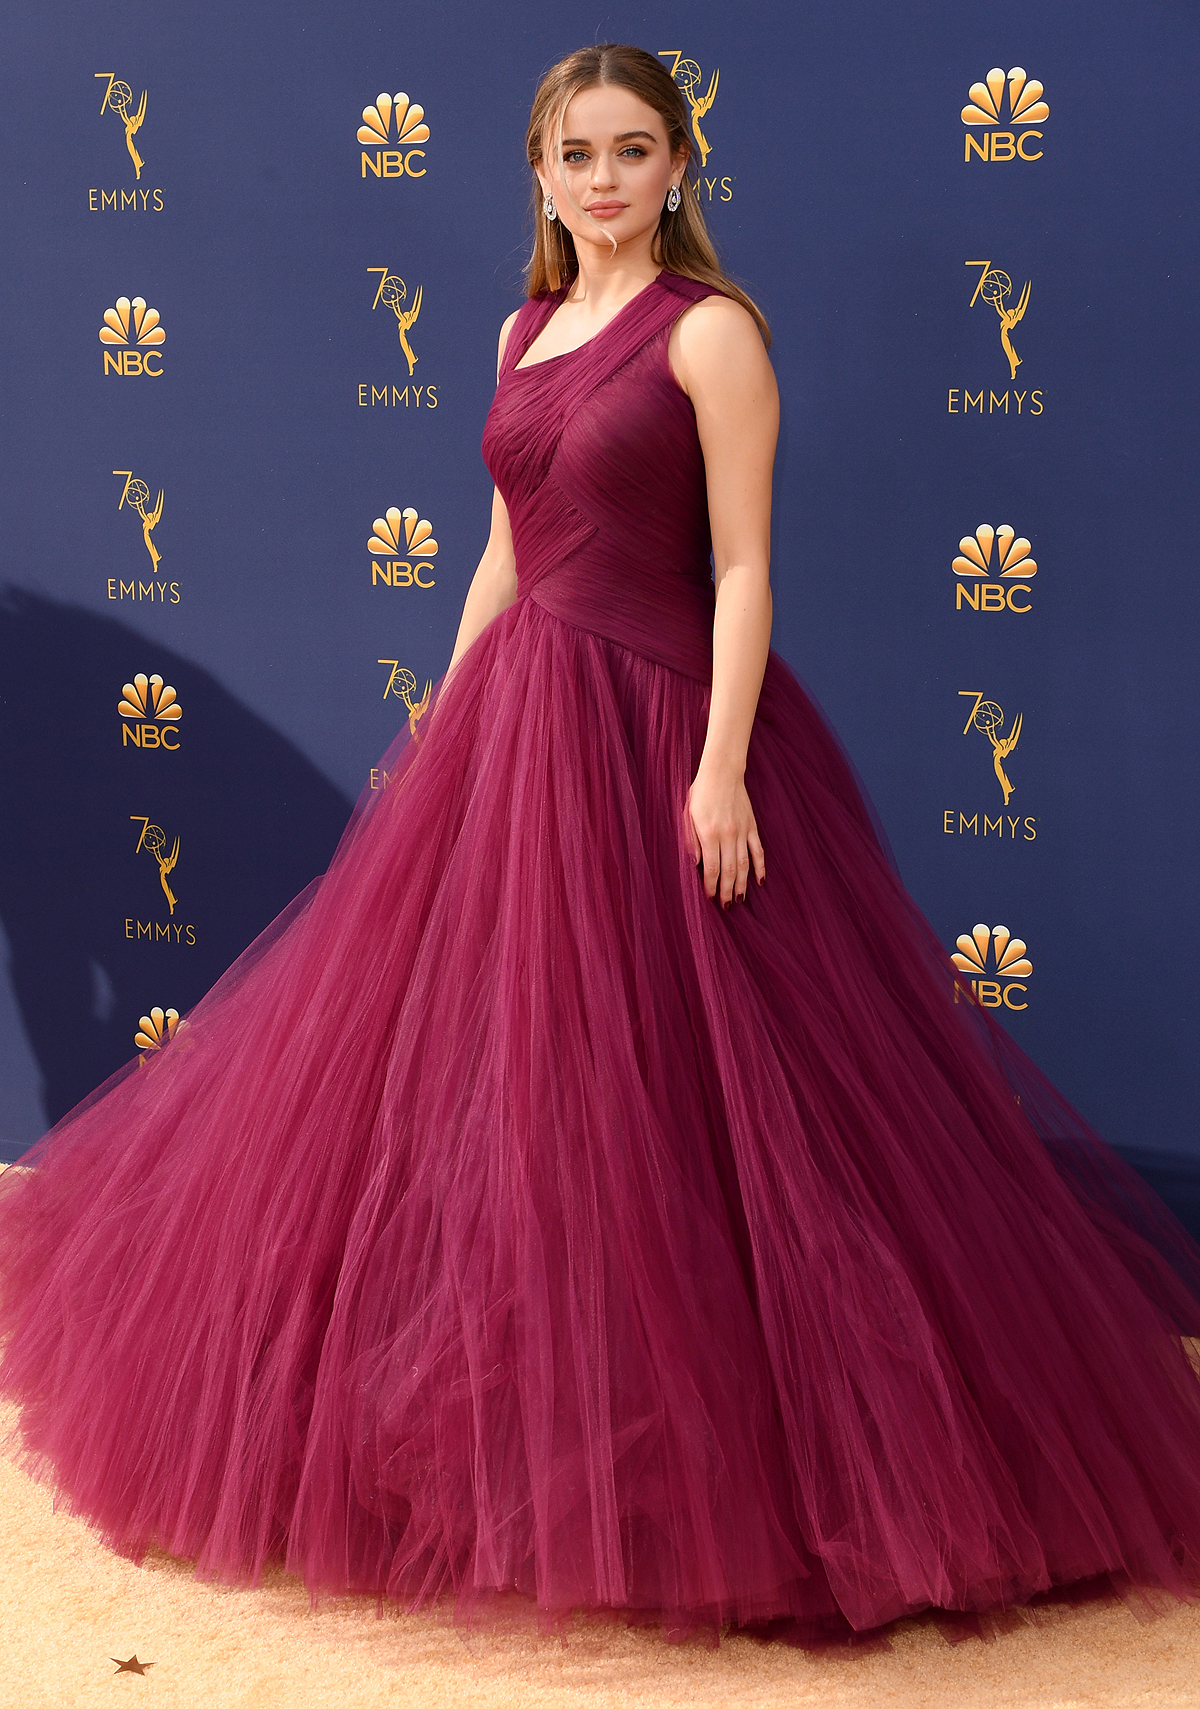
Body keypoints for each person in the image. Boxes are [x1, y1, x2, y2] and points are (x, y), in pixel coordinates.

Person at [3, 43, 1200, 1649]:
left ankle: (728, 1447)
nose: (606, 180)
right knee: (506, 1084)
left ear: (681, 166)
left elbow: (746, 569)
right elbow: (506, 542)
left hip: (658, 727)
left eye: (635, 151)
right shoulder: (517, 328)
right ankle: (510, 1419)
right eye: (578, 154)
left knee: (700, 1101)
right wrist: (441, 716)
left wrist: (718, 770)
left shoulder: (712, 335)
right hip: (515, 729)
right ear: (542, 171)